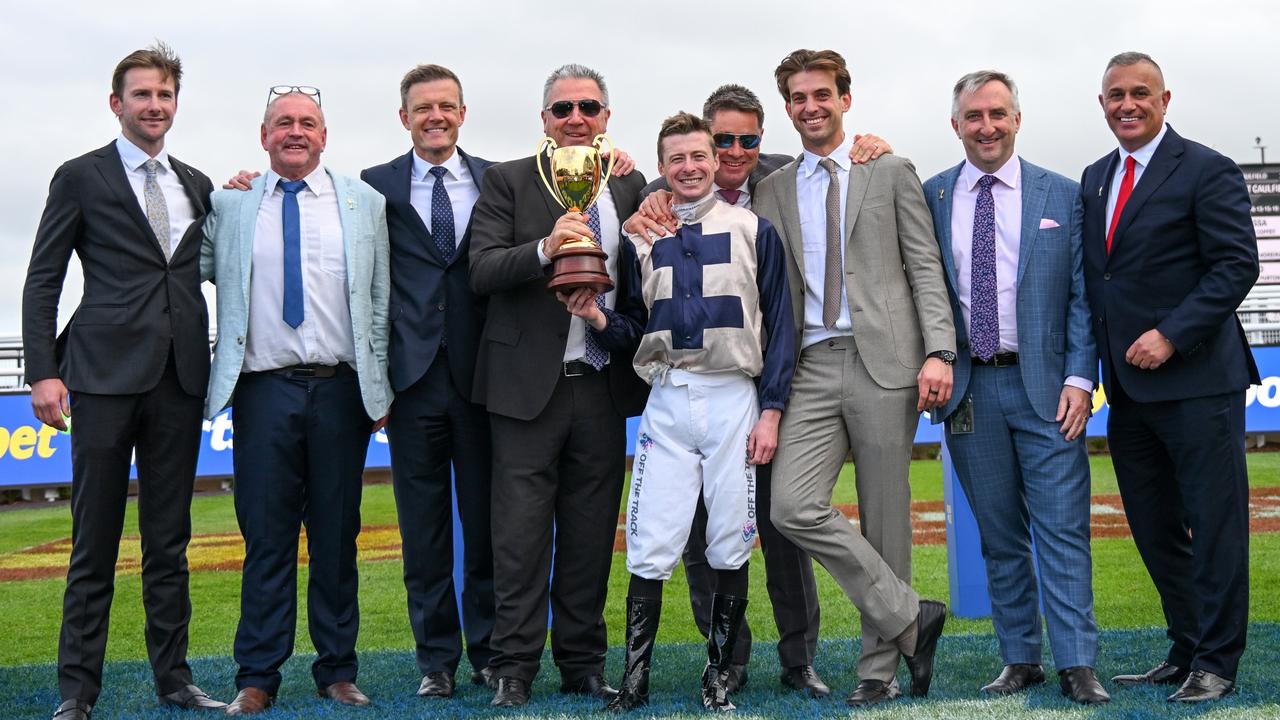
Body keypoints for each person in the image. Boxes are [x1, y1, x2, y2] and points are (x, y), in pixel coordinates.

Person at [626, 84, 892, 698]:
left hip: (770, 388)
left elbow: (844, 170)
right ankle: (729, 659)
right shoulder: (660, 206)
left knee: (780, 528)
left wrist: (873, 145)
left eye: (748, 139)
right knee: (698, 535)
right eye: (725, 140)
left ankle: (799, 659)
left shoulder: (781, 184)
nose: (736, 150)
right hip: (685, 392)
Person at [21, 43, 223, 720]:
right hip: (101, 380)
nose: (155, 106)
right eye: (142, 95)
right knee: (94, 542)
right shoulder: (79, 176)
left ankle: (175, 681)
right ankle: (78, 692)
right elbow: (44, 276)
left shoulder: (197, 183)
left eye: (164, 95)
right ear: (118, 103)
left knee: (169, 544)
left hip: (178, 380)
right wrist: (43, 372)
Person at [752, 48, 952, 707]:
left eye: (822, 94)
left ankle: (879, 671)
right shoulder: (770, 189)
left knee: (887, 517)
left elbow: (924, 266)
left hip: (887, 362)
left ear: (845, 98)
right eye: (799, 98)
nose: (811, 106)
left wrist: (938, 352)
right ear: (787, 107)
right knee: (790, 506)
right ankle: (909, 618)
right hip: (808, 366)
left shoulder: (889, 169)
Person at [201, 87, 391, 715]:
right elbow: (190, 266)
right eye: (283, 122)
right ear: (263, 136)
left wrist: (379, 383)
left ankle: (337, 669)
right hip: (262, 390)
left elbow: (381, 299)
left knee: (337, 536)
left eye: (307, 122)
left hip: (340, 389)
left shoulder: (364, 203)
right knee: (266, 537)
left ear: (324, 134)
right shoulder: (229, 205)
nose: (295, 131)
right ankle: (257, 676)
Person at [921, 70, 1107, 704]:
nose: (986, 126)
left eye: (998, 113)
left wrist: (1082, 378)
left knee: (1061, 530)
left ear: (1017, 119)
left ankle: (1077, 662)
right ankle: (1020, 656)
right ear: (956, 126)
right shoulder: (933, 195)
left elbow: (1083, 297)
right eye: (973, 116)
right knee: (999, 536)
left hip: (1047, 388)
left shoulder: (1061, 193)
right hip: (971, 392)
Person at [467, 63, 649, 708]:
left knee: (590, 534)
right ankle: (512, 666)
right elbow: (481, 269)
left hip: (601, 385)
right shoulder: (508, 179)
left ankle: (581, 664)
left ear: (607, 117)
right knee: (517, 537)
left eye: (590, 108)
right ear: (543, 119)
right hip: (523, 391)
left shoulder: (629, 184)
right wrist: (545, 249)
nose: (577, 117)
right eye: (563, 108)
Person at [1081, 51, 1259, 704]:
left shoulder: (1206, 169)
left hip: (1198, 384)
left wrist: (1172, 334)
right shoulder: (1096, 177)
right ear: (1101, 104)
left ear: (1165, 99)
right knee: (1155, 531)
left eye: (1140, 93)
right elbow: (1100, 279)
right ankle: (1185, 647)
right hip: (1127, 392)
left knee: (1214, 528)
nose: (1127, 104)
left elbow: (1236, 265)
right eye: (1115, 95)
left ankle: (1217, 661)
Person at [603, 111, 794, 712]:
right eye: (676, 159)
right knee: (652, 542)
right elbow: (633, 326)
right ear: (661, 169)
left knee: (730, 541)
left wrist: (772, 409)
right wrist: (595, 319)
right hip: (669, 396)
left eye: (698, 157)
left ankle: (719, 677)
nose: (688, 168)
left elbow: (782, 328)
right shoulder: (639, 237)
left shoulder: (753, 229)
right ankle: (635, 681)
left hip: (734, 396)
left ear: (716, 162)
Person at [359, 64, 497, 700]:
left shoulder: (501, 179)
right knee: (424, 531)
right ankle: (435, 660)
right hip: (411, 383)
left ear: (462, 113)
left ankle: (491, 652)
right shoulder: (370, 186)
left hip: (484, 380)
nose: (435, 116)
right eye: (422, 107)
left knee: (488, 525)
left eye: (446, 106)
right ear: (404, 116)